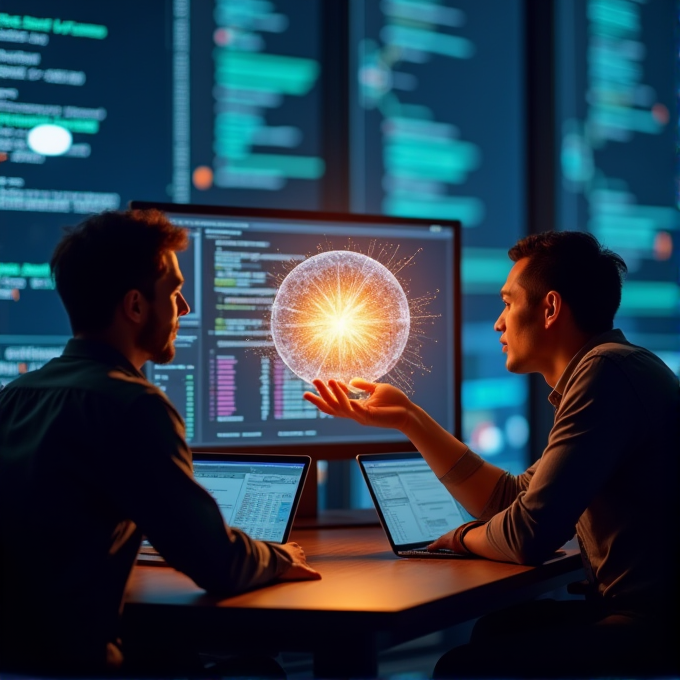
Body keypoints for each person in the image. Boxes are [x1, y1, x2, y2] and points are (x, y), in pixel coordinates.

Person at [304, 231, 679, 679]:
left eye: (507, 303)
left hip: (652, 628)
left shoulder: (606, 374)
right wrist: (410, 419)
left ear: (550, 308)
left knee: (464, 667)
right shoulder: (615, 367)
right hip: (641, 616)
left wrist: (461, 538)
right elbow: (512, 498)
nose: (499, 323)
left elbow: (527, 536)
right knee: (497, 629)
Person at [0, 209, 320, 677]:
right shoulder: (132, 406)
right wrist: (280, 556)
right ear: (135, 306)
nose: (184, 308)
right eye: (173, 291)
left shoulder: (13, 397)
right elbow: (218, 563)